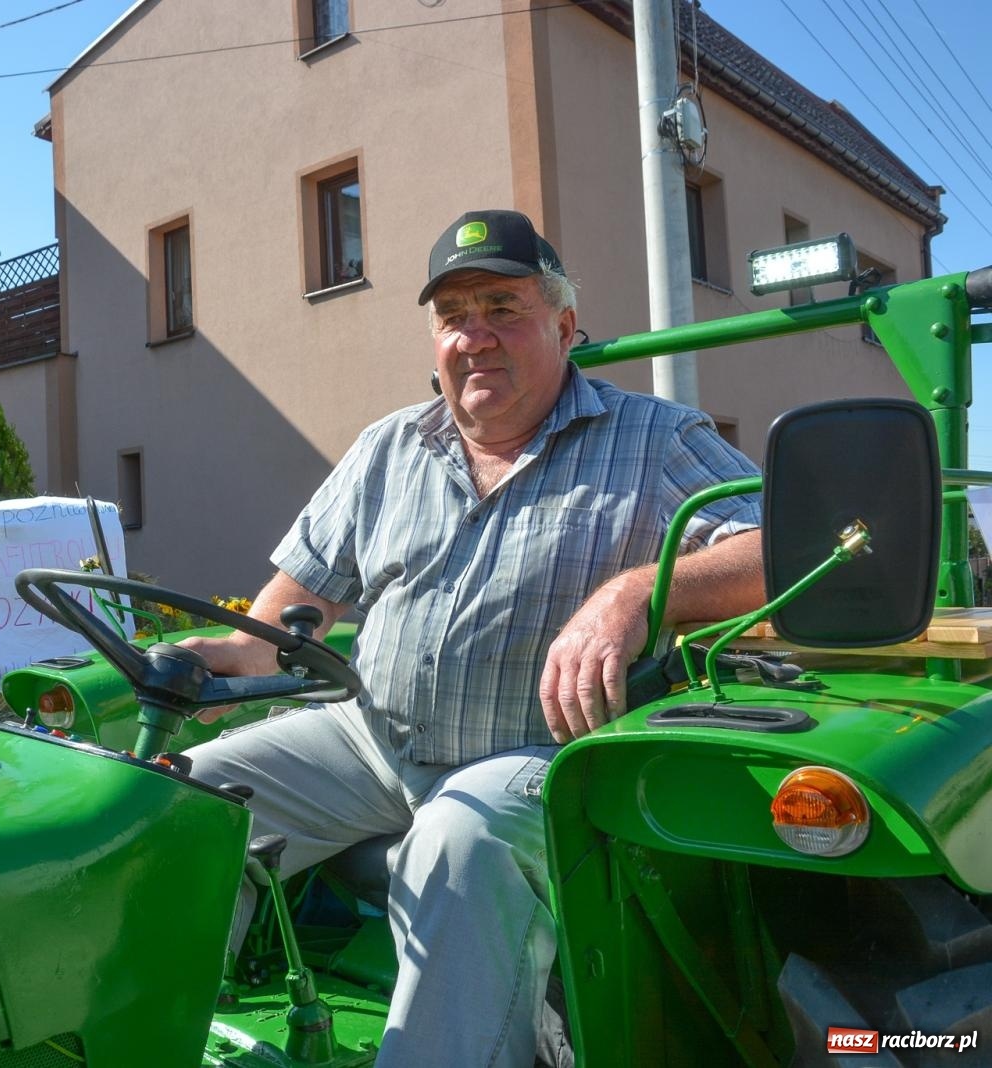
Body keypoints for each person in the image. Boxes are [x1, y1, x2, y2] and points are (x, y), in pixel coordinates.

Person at [182, 209, 764, 1067]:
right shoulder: (388, 447)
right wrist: (217, 656)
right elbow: (288, 614)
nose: (476, 336)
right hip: (370, 739)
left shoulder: (653, 438)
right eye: (455, 315)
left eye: (502, 306)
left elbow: (778, 547)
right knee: (182, 804)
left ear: (564, 326)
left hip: (540, 754)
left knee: (462, 837)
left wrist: (633, 596)